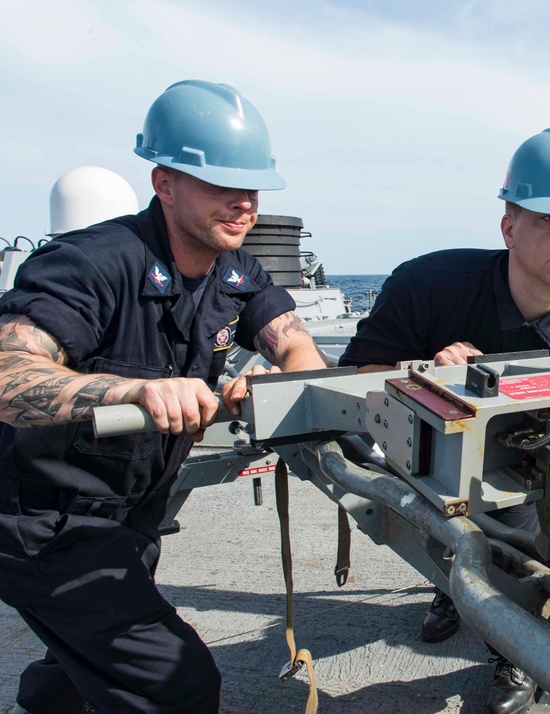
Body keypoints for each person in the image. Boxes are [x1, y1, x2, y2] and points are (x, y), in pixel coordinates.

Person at [0, 80, 330, 714]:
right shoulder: (92, 263)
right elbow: (9, 368)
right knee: (174, 684)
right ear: (164, 183)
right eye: (221, 185)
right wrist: (132, 390)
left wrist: (275, 379)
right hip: (47, 522)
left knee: (81, 662)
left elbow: (298, 349)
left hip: (132, 514)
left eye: (253, 187)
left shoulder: (236, 270)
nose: (242, 204)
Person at [340, 127, 550, 714]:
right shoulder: (429, 287)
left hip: (523, 467)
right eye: (548, 218)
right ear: (509, 227)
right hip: (419, 455)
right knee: (441, 527)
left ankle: (512, 649)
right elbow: (356, 382)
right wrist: (428, 376)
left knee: (526, 541)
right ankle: (453, 588)